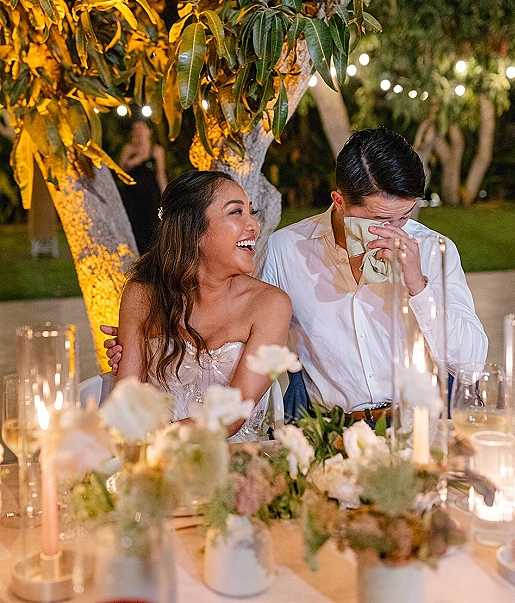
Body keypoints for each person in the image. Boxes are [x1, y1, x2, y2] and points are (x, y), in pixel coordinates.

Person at [104, 129, 487, 423]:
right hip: (334, 434)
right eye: (378, 221)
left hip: (426, 426)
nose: (395, 231)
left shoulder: (434, 251)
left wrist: (419, 287)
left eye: (404, 217)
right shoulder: (289, 251)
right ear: (339, 201)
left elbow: (470, 363)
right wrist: (150, 340)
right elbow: (237, 320)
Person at [114, 169, 292, 440]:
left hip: (237, 463)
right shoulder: (142, 296)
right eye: (236, 213)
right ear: (194, 231)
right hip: (152, 464)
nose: (253, 225)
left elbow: (230, 418)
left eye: (251, 213)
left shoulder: (269, 305)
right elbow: (127, 403)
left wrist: (155, 441)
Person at [119, 120, 168, 254]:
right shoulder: (129, 149)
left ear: (149, 131)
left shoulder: (157, 150)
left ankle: (154, 254)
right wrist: (134, 161)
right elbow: (120, 171)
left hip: (151, 194)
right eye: (135, 129)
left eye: (141, 128)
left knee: (153, 225)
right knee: (135, 225)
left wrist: (165, 196)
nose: (138, 132)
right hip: (133, 194)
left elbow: (160, 174)